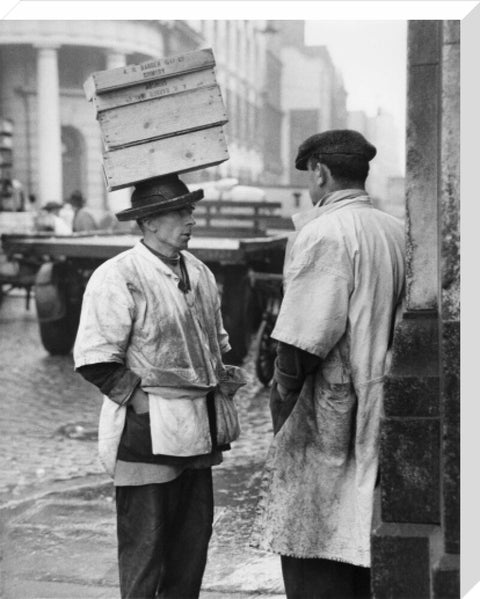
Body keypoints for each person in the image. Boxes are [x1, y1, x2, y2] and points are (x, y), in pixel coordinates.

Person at [73, 173, 244, 599]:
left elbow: (216, 342)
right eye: (180, 212)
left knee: (190, 547)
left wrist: (222, 374)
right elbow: (95, 359)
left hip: (198, 431)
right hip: (145, 435)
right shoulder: (119, 276)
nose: (192, 220)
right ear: (149, 222)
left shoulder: (200, 273)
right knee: (146, 549)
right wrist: (142, 403)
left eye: (191, 210)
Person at [250, 130, 405, 598]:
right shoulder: (395, 228)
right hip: (382, 396)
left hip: (331, 409)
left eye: (309, 176)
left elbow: (301, 340)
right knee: (361, 538)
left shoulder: (323, 232)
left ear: (319, 171)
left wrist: (283, 406)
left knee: (315, 540)